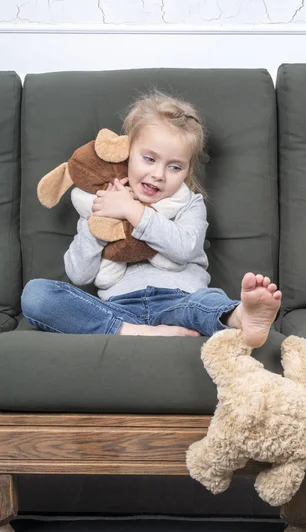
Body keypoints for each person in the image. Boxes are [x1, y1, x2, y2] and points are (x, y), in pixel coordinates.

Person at [21, 92, 281, 348]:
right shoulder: (101, 202)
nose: (158, 174)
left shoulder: (189, 203)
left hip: (180, 302)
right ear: (126, 151)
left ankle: (241, 317)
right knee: (36, 295)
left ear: (188, 170)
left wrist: (133, 210)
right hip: (118, 310)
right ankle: (133, 332)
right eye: (149, 159)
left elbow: (184, 249)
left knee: (208, 302)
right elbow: (79, 275)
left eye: (175, 167)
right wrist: (98, 224)